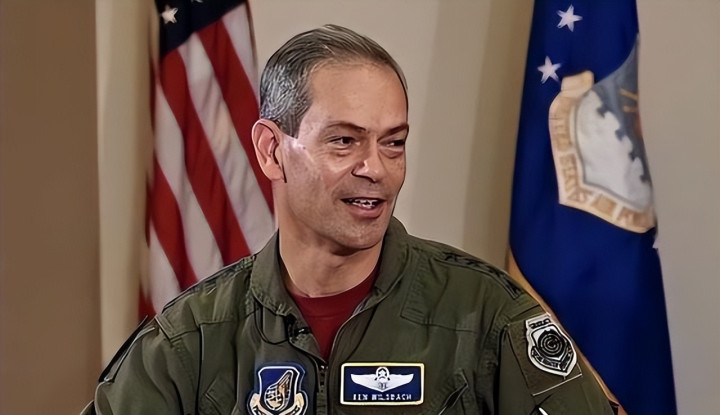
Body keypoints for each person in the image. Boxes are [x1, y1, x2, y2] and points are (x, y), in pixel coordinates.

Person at [83, 24, 615, 415]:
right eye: (344, 141)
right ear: (271, 151)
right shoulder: (190, 341)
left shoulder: (487, 316)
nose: (375, 169)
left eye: (393, 143)